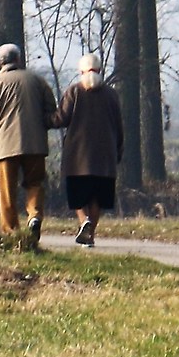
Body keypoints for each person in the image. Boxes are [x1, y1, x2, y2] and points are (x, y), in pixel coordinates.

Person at [0, 42, 55, 249]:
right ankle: (34, 215)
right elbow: (50, 111)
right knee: (35, 183)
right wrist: (41, 127)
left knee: (7, 191)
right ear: (19, 59)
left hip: (5, 146)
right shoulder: (38, 82)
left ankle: (11, 234)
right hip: (35, 144)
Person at [54, 53, 124, 248]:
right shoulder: (111, 94)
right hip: (105, 156)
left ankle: (83, 220)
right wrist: (118, 150)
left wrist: (43, 118)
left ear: (81, 71)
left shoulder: (74, 92)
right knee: (97, 199)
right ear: (100, 70)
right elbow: (119, 126)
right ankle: (90, 235)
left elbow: (61, 119)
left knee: (77, 196)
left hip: (78, 156)